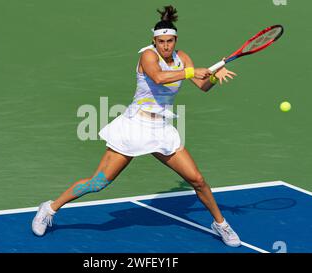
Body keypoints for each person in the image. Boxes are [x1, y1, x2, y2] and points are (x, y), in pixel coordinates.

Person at [32, 5, 241, 247]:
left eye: (170, 41)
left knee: (198, 180)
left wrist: (214, 76)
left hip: (162, 129)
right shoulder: (148, 56)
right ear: (154, 40)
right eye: (161, 41)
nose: (166, 46)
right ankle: (49, 208)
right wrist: (194, 71)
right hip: (134, 126)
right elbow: (159, 77)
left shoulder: (182, 59)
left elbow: (203, 86)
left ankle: (220, 224)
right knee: (98, 183)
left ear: (175, 40)